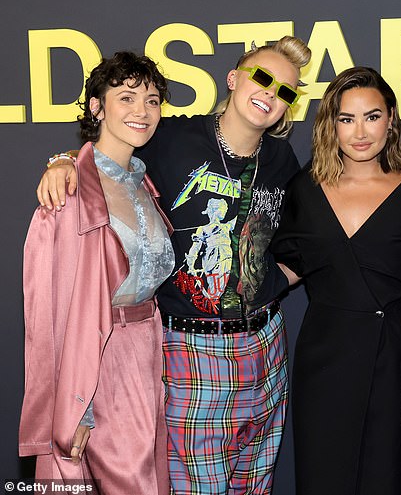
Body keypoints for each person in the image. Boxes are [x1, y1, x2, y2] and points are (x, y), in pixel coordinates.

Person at [35, 36, 311, 495]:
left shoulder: (281, 159)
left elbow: (298, 238)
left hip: (266, 350)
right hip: (191, 351)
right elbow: (108, 152)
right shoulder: (170, 136)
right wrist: (63, 160)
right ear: (234, 78)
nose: (270, 93)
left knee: (256, 485)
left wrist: (275, 284)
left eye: (286, 91)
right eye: (263, 78)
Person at [270, 67, 401, 495]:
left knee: (389, 476)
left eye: (372, 116)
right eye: (347, 119)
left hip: (396, 359)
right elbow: (286, 266)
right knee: (325, 474)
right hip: (326, 358)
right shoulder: (304, 188)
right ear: (331, 125)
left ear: (391, 119)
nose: (360, 132)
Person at [20, 51, 174, 495]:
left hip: (147, 354)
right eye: (126, 97)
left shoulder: (143, 181)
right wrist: (76, 406)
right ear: (97, 106)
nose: (141, 111)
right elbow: (49, 312)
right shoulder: (70, 194)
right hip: (97, 363)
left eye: (151, 100)